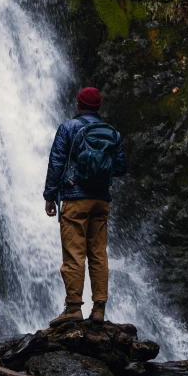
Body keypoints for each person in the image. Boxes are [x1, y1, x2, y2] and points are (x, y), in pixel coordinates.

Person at [43, 87, 127, 327]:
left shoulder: (68, 128)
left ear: (78, 105)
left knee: (74, 255)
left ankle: (73, 308)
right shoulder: (112, 133)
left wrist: (50, 196)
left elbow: (57, 163)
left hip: (74, 199)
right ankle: (99, 308)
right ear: (99, 107)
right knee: (99, 254)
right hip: (101, 201)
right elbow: (120, 167)